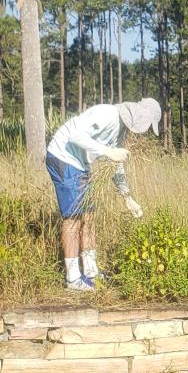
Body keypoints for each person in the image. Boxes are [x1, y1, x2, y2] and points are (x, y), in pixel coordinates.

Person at [46, 99, 161, 291]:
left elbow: (116, 164)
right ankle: (73, 279)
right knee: (73, 218)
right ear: (141, 117)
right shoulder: (106, 114)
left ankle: (91, 272)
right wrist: (108, 151)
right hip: (63, 158)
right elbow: (75, 135)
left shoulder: (120, 131)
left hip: (80, 165)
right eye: (147, 125)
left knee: (89, 217)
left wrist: (127, 197)